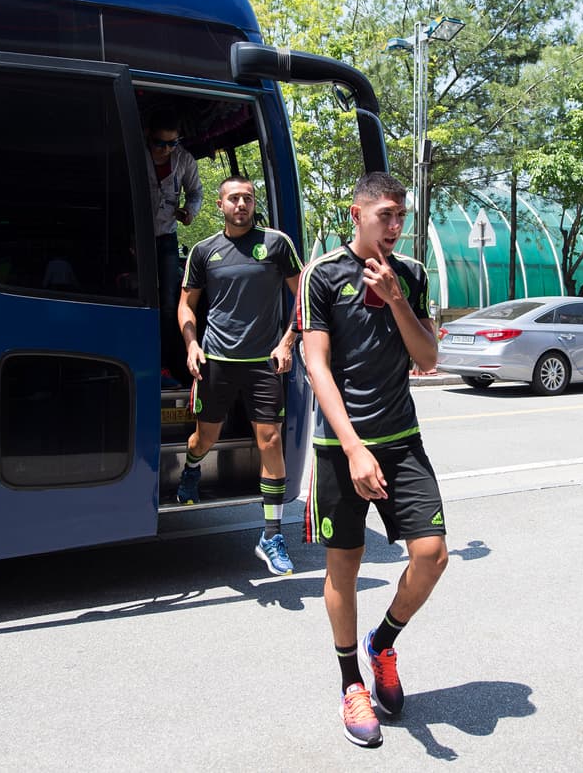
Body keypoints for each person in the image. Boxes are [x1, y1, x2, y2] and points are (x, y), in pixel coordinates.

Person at [295, 172, 448, 748]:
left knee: (432, 555)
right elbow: (317, 367)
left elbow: (428, 358)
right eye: (385, 214)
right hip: (342, 448)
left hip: (402, 438)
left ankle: (383, 642)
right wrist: (354, 448)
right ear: (356, 215)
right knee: (346, 568)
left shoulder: (411, 274)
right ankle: (350, 682)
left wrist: (399, 299)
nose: (395, 225)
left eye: (401, 215)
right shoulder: (321, 275)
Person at [177, 177, 302, 574]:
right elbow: (186, 306)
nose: (242, 204)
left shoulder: (277, 244)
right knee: (205, 437)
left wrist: (287, 343)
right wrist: (191, 345)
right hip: (215, 360)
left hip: (264, 363)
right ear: (220, 205)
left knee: (271, 440)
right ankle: (192, 468)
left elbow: (304, 297)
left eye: (248, 198)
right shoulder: (203, 251)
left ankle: (272, 534)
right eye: (234, 198)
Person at [144, 110, 203, 383]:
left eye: (172, 143)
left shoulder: (184, 160)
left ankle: (165, 364)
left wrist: (190, 211)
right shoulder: (135, 151)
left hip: (166, 236)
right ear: (148, 137)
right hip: (134, 235)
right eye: (160, 144)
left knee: (169, 303)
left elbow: (196, 192)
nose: (166, 150)